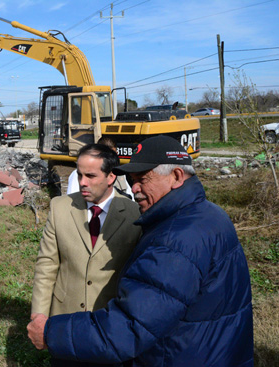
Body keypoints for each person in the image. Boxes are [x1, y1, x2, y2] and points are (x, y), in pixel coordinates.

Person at [27, 135, 254, 366]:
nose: (134, 188)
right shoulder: (209, 215)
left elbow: (130, 327)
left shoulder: (175, 239)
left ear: (176, 176)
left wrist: (50, 333)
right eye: (132, 179)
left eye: (143, 179)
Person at [30, 143, 142, 367]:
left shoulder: (134, 214)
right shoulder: (60, 207)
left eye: (90, 175)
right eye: (79, 174)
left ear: (111, 177)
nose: (82, 182)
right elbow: (47, 265)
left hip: (110, 329)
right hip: (65, 323)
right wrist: (39, 317)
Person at [67, 137, 133, 199]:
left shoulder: (121, 174)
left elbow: (130, 197)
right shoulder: (77, 175)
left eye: (112, 155)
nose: (109, 159)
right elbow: (73, 200)